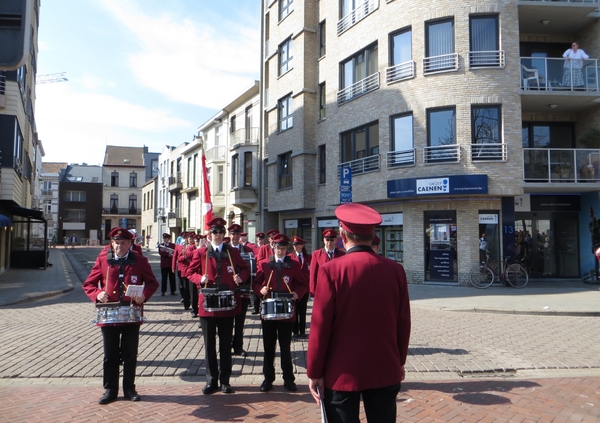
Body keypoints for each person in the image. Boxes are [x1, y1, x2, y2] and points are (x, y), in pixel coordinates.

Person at [307, 203, 411, 423]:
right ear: (373, 235)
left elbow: (320, 326)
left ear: (343, 236)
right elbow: (403, 322)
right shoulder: (395, 270)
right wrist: (399, 360)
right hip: (385, 366)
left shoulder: (331, 270)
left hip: (342, 371)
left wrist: (314, 371)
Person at [82, 227, 159, 405]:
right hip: (109, 315)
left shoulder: (139, 260)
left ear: (130, 244)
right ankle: (110, 389)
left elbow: (152, 283)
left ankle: (129, 388)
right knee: (110, 354)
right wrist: (97, 294)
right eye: (117, 242)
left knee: (130, 353)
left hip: (131, 314)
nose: (120, 246)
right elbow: (89, 284)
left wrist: (144, 296)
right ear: (112, 244)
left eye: (124, 242)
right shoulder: (103, 260)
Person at [187, 217, 250, 395]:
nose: (218, 235)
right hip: (207, 305)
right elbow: (190, 272)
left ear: (225, 235)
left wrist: (241, 277)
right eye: (215, 232)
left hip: (227, 304)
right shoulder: (201, 252)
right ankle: (211, 380)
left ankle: (225, 381)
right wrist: (200, 279)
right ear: (209, 234)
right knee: (209, 345)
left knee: (225, 344)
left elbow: (245, 269)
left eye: (221, 232)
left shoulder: (232, 252)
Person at [253, 233, 308, 392]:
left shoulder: (294, 264)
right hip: (269, 311)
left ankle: (289, 379)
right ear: (273, 248)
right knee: (268, 347)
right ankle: (267, 379)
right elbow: (255, 283)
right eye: (278, 248)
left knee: (285, 347)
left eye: (283, 248)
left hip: (286, 312)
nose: (280, 251)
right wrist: (260, 289)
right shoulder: (264, 264)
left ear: (287, 249)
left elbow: (303, 284)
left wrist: (298, 293)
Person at [228, 223, 252, 357]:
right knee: (227, 321)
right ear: (229, 235)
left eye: (237, 234)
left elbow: (251, 269)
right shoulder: (224, 249)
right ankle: (226, 346)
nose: (235, 237)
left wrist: (241, 278)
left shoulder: (247, 250)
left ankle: (238, 347)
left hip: (243, 290)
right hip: (228, 291)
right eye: (232, 234)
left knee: (240, 321)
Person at [309, 229, 345, 295]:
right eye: (327, 240)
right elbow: (313, 274)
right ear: (323, 240)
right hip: (322, 289)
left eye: (332, 240)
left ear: (336, 240)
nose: (329, 243)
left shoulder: (342, 255)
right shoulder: (316, 254)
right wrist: (313, 292)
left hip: (337, 290)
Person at [290, 236, 311, 339]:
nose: (295, 246)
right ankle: (295, 331)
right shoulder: (290, 257)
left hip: (305, 288)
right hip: (294, 288)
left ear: (302, 245)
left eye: (297, 244)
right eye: (294, 245)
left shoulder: (309, 257)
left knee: (303, 310)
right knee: (294, 309)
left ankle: (302, 331)